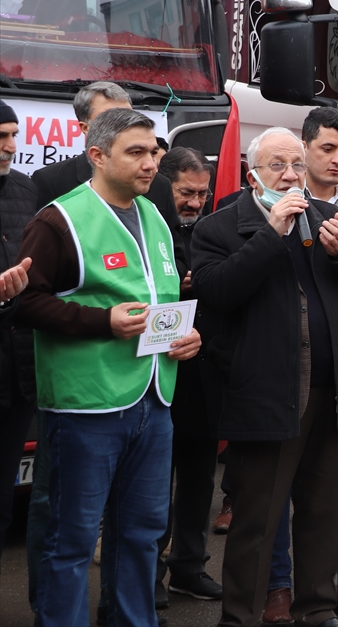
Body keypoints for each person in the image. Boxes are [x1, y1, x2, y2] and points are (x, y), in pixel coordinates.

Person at [18, 107, 202, 626]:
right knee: (72, 539)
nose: (151, 165)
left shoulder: (155, 217)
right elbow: (24, 304)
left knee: (141, 536)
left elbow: (161, 300)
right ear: (96, 155)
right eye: (136, 153)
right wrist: (102, 323)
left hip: (153, 402)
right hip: (86, 407)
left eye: (155, 153)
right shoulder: (59, 219)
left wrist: (186, 336)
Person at [191, 126, 338, 627]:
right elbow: (218, 293)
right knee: (257, 520)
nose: (292, 174)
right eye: (278, 165)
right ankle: (242, 616)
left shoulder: (326, 216)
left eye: (297, 163)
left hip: (333, 391)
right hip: (269, 393)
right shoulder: (221, 226)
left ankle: (316, 610)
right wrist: (271, 234)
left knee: (324, 514)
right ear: (252, 174)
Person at [264, 108, 338, 623]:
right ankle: (279, 586)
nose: (337, 160)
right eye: (326, 150)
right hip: (290, 360)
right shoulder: (278, 204)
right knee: (281, 479)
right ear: (304, 149)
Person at [153, 147, 226, 603]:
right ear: (166, 186)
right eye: (186, 192)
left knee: (200, 478)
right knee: (155, 482)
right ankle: (151, 570)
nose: (196, 203)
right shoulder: (149, 230)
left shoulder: (212, 231)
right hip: (157, 377)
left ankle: (188, 567)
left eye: (203, 194)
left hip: (204, 377)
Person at [0, 98, 37, 560]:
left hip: (18, 375)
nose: (9, 147)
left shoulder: (28, 192)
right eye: (0, 137)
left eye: (12, 136)